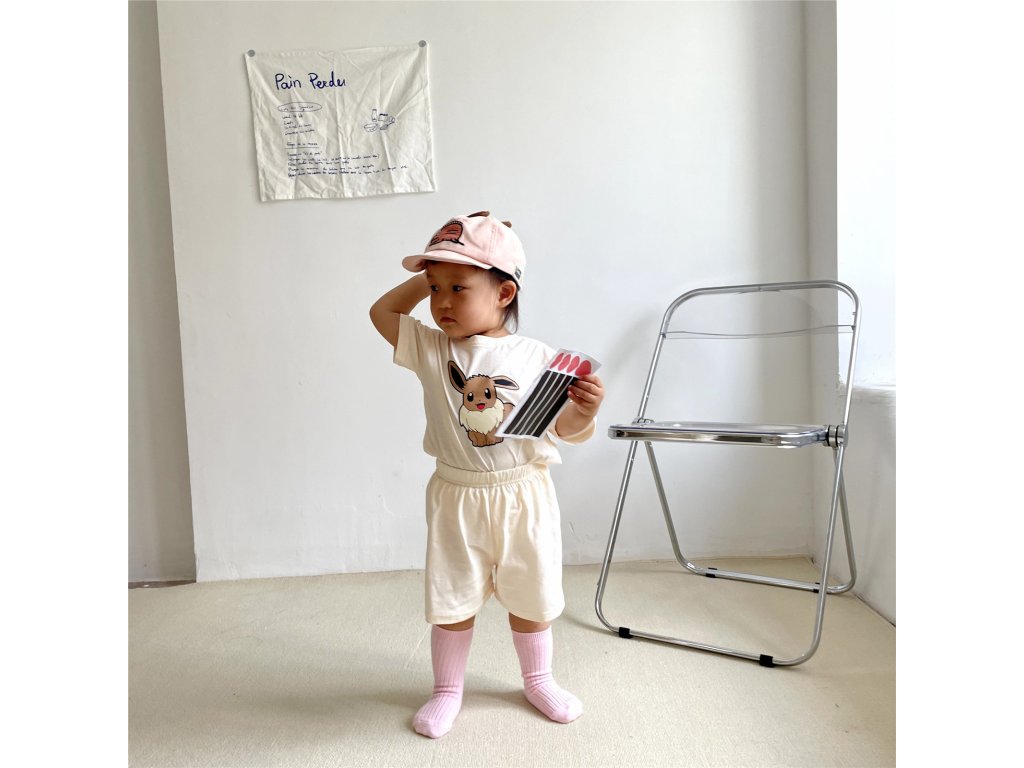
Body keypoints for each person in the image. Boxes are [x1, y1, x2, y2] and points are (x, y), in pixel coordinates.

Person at [369, 211, 605, 738]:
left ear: (504, 293)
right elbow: (382, 312)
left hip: (524, 494)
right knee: (451, 597)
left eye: (459, 287)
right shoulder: (432, 349)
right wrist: (432, 271)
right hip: (458, 496)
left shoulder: (539, 356)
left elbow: (562, 429)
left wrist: (584, 412)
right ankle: (447, 689)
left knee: (532, 593)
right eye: (435, 289)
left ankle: (539, 679)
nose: (442, 302)